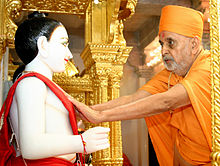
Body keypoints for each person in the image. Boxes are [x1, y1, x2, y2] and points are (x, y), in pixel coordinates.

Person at [71, 5, 211, 166]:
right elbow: (133, 98)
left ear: (194, 44)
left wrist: (102, 117)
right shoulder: (173, 74)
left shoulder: (208, 68)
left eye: (171, 43)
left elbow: (167, 101)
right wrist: (91, 110)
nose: (164, 50)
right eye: (162, 43)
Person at [0, 12, 110, 166]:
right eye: (64, 43)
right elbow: (31, 146)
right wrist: (81, 142)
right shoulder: (31, 84)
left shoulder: (40, 84)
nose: (70, 54)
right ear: (43, 45)